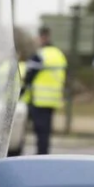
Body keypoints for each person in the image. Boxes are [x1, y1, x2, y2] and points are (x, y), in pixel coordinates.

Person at [20, 26, 67, 155]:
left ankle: (36, 157)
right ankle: (43, 157)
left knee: (32, 131)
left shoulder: (40, 55)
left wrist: (22, 92)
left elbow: (29, 76)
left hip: (38, 100)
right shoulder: (59, 54)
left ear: (42, 37)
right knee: (45, 134)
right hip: (52, 100)